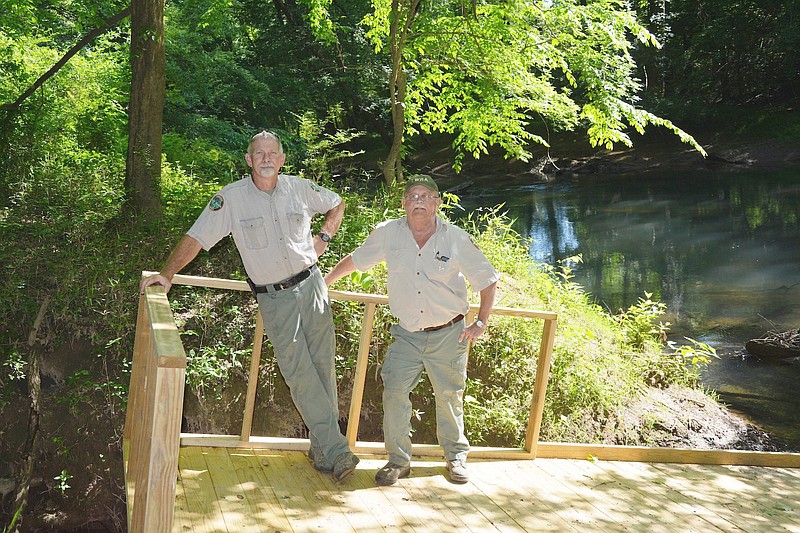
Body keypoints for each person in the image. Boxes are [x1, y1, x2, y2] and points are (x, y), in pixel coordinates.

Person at [139, 130, 359, 482]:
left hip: (314, 285)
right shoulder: (231, 199)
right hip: (275, 298)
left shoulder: (300, 188)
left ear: (283, 159)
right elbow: (196, 237)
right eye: (259, 154)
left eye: (273, 153)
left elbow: (337, 203)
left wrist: (325, 237)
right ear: (249, 160)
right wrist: (167, 274)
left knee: (321, 368)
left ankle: (322, 450)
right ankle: (337, 450)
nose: (267, 159)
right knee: (298, 372)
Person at [324, 174, 498, 486]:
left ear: (437, 202)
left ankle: (456, 456)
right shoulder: (389, 233)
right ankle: (398, 461)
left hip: (449, 333)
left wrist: (481, 322)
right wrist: (325, 283)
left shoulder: (455, 238)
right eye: (412, 196)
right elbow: (357, 260)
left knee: (449, 395)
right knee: (393, 392)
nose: (418, 201)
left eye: (425, 195)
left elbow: (487, 279)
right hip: (407, 334)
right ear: (404, 203)